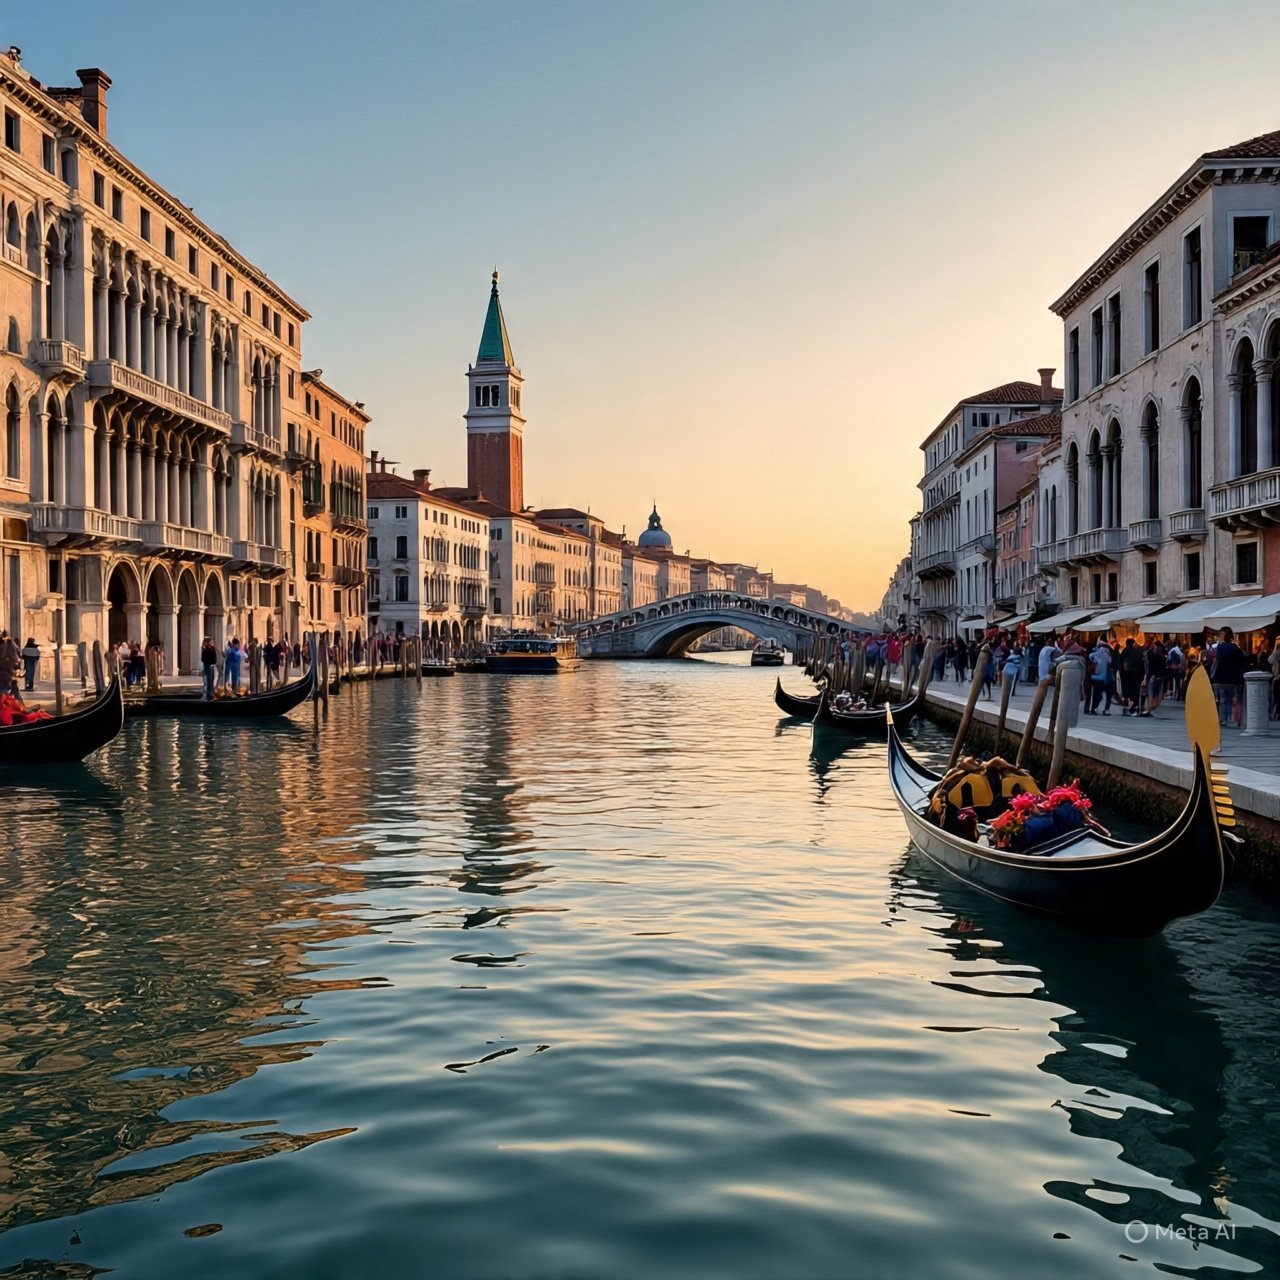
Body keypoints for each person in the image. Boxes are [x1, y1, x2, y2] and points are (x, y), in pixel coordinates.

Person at [1209, 626, 1246, 727]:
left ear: (1222, 636)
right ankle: (1229, 719)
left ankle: (1222, 719)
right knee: (1230, 699)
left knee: (1221, 700)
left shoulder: (1219, 648)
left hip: (1219, 678)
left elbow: (1216, 661)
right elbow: (1242, 662)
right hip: (1233, 679)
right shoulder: (1236, 648)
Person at [1117, 637, 1146, 715]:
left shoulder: (1125, 651)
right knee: (1135, 691)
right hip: (1137, 674)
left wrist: (1121, 673)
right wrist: (1142, 675)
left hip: (1126, 674)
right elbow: (1142, 663)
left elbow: (1121, 663)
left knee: (1126, 690)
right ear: (1133, 643)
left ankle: (1127, 706)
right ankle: (1136, 706)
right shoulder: (1138, 651)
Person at [1087, 637, 1112, 714]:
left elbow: (1091, 656)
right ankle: (1094, 709)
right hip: (1100, 679)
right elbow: (1103, 674)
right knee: (1098, 695)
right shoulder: (1105, 656)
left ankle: (1092, 709)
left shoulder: (1097, 655)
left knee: (1096, 695)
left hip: (1096, 677)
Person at [0, 631, 21, 701]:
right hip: (5, 672)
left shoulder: (8, 643)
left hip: (5, 672)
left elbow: (14, 658)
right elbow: (15, 659)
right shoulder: (8, 643)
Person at [200, 636, 219, 701]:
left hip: (209, 666)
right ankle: (209, 696)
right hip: (208, 666)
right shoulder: (208, 649)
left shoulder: (208, 649)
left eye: (204, 642)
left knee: (209, 682)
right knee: (208, 682)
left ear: (206, 642)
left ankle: (209, 697)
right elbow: (203, 659)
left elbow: (204, 659)